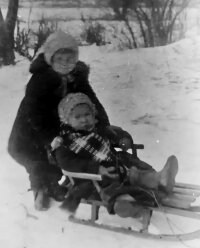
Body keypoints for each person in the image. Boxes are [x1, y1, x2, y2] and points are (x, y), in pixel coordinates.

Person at [7, 30, 114, 211]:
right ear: (50, 59)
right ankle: (41, 190)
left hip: (58, 123)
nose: (65, 64)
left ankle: (58, 184)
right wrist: (50, 137)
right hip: (30, 129)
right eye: (60, 59)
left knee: (62, 155)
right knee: (38, 160)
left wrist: (104, 124)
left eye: (70, 59)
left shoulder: (77, 76)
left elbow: (92, 100)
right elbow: (35, 113)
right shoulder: (40, 80)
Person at [53, 93, 179, 218]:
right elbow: (66, 163)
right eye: (77, 117)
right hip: (94, 179)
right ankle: (124, 205)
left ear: (93, 114)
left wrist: (123, 139)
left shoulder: (98, 128)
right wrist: (95, 168)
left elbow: (116, 133)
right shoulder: (65, 141)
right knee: (112, 188)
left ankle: (159, 179)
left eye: (87, 114)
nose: (84, 119)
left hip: (118, 166)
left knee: (132, 165)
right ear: (67, 120)